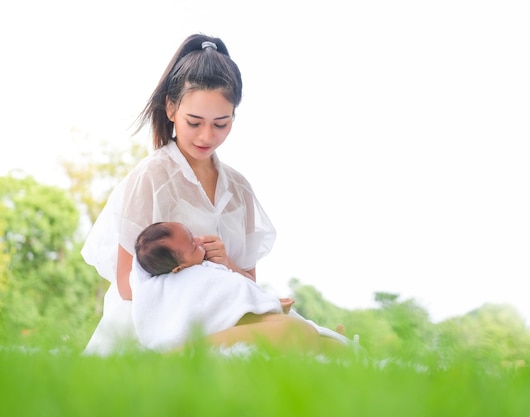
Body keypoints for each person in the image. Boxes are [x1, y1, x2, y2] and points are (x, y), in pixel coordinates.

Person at [81, 33, 280, 355]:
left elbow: (248, 285)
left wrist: (225, 262)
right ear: (171, 109)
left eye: (221, 124)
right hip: (155, 326)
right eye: (194, 122)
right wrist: (191, 263)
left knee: (294, 336)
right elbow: (126, 285)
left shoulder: (239, 190)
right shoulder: (153, 177)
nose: (207, 136)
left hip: (222, 319)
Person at [130, 221, 349, 353]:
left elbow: (240, 290)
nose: (199, 240)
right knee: (303, 333)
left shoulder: (209, 268)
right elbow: (217, 303)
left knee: (320, 340)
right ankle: (338, 341)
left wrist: (268, 303)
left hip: (260, 321)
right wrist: (270, 306)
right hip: (245, 328)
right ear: (179, 268)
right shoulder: (189, 282)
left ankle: (338, 339)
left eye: (192, 235)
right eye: (192, 245)